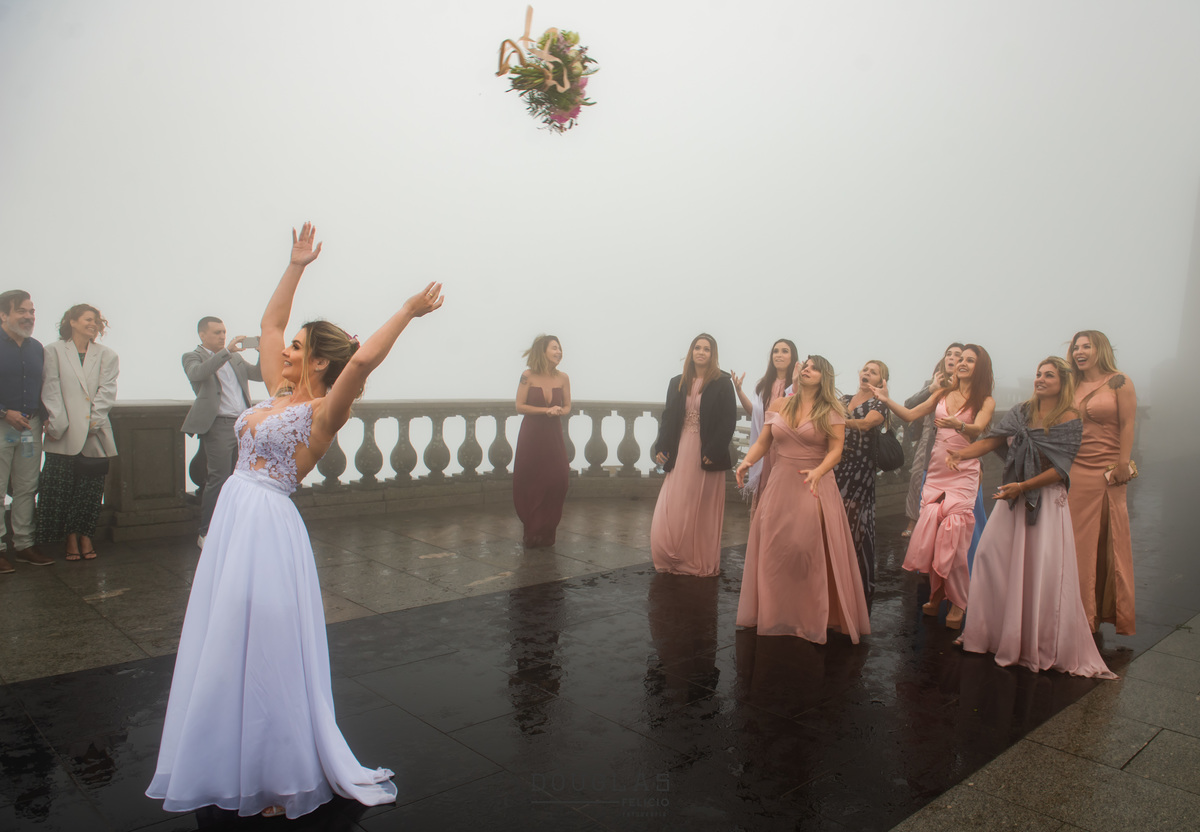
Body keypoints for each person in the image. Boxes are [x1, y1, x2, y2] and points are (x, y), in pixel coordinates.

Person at [147, 223, 444, 819]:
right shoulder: (273, 393)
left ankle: (283, 775)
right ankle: (227, 755)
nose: (282, 349)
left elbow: (361, 361)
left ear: (319, 358)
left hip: (269, 524)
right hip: (235, 516)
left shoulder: (320, 410)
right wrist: (296, 265)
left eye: (297, 346)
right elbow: (271, 323)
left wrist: (407, 312)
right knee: (227, 634)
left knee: (272, 647)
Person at [952, 357, 1117, 678]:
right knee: (989, 557)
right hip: (1011, 497)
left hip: (1042, 500)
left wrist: (1023, 486)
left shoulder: (1070, 418)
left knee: (1038, 571)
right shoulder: (1022, 412)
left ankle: (1033, 643)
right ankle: (990, 634)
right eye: (1039, 374)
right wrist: (962, 452)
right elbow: (993, 440)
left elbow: (1061, 469)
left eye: (1049, 375)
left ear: (1062, 382)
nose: (1040, 379)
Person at [735, 356, 870, 642]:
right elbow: (763, 441)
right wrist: (747, 462)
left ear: (824, 377)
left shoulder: (831, 409)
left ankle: (809, 616)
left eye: (814, 367)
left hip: (814, 484)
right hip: (780, 483)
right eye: (805, 365)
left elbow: (836, 450)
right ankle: (775, 614)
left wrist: (820, 471)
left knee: (804, 549)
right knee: (774, 546)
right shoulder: (780, 404)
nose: (807, 369)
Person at [875, 344, 995, 629]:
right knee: (935, 535)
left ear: (981, 367)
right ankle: (938, 593)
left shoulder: (985, 400)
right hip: (938, 472)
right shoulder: (942, 392)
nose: (962, 363)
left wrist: (959, 425)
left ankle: (959, 602)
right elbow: (909, 416)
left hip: (963, 471)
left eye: (970, 360)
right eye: (961, 359)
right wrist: (886, 398)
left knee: (955, 540)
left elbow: (978, 429)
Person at [1068, 330, 1137, 634]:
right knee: (1076, 545)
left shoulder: (1119, 381)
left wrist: (1123, 463)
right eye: (1076, 347)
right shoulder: (1071, 383)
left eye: (1087, 346)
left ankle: (1097, 614)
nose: (1079, 352)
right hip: (1074, 471)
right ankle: (1077, 612)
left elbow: (1128, 423)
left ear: (1101, 350)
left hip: (1107, 471)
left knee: (1106, 543)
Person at [650, 333, 736, 577]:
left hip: (707, 451)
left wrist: (713, 450)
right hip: (681, 450)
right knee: (675, 502)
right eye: (697, 348)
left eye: (706, 349)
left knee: (701, 506)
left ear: (712, 354)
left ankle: (697, 559)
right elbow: (668, 417)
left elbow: (728, 420)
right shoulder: (677, 381)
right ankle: (671, 554)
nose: (701, 352)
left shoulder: (722, 383)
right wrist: (661, 447)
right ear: (691, 352)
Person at [37, 304, 119, 561]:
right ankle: (69, 538)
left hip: (95, 433)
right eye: (87, 319)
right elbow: (50, 388)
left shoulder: (107, 355)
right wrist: (59, 423)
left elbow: (106, 392)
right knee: (61, 490)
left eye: (96, 320)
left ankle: (86, 535)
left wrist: (92, 422)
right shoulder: (53, 351)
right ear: (71, 322)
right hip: (62, 432)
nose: (93, 324)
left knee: (90, 491)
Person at [182, 316, 263, 548]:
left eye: (224, 332)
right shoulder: (192, 356)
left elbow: (259, 375)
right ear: (202, 335)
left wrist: (262, 352)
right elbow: (197, 373)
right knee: (218, 479)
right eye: (217, 332)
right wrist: (226, 352)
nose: (222, 336)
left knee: (244, 479)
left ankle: (235, 528)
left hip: (243, 424)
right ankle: (206, 532)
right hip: (218, 425)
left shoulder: (235, 358)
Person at [0, 290, 53, 571]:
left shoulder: (36, 348)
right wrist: (3, 412)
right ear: (3, 315)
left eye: (31, 312)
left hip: (30, 426)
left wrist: (44, 417)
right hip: (2, 425)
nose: (29, 317)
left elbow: (43, 386)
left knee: (27, 487)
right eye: (22, 311)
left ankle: (24, 545)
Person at [834, 360, 890, 603]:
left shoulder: (879, 403)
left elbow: (868, 423)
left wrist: (838, 422)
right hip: (837, 464)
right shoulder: (844, 399)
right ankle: (834, 578)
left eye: (874, 372)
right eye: (865, 369)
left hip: (860, 469)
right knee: (834, 517)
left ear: (881, 380)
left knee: (855, 523)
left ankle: (856, 584)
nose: (867, 373)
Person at [513, 334, 571, 547]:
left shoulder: (563, 377)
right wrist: (545, 410)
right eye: (554, 348)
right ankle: (533, 530)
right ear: (543, 351)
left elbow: (567, 406)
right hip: (531, 435)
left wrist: (558, 411)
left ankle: (548, 529)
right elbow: (519, 406)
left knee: (559, 479)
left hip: (553, 435)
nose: (559, 352)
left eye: (559, 348)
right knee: (531, 480)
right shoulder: (527, 376)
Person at [901, 344, 963, 538]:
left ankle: (941, 522)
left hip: (956, 441)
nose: (951, 358)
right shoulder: (933, 382)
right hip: (929, 436)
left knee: (948, 484)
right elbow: (909, 406)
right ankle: (913, 519)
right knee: (918, 478)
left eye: (958, 355)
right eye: (949, 354)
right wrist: (932, 388)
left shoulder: (967, 385)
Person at [731, 339, 797, 508]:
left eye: (784, 351)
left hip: (786, 445)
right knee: (765, 489)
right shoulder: (764, 385)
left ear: (792, 356)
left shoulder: (797, 386)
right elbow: (756, 413)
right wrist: (739, 391)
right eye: (776, 351)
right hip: (766, 445)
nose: (779, 355)